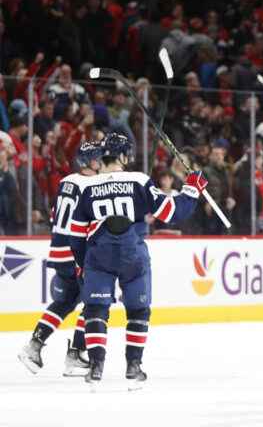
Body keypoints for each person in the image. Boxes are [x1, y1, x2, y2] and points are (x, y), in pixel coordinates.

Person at [68, 133, 208, 389]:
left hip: (99, 254)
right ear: (123, 156)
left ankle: (96, 366)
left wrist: (82, 263)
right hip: (132, 253)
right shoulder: (138, 180)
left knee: (96, 310)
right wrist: (192, 189)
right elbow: (171, 212)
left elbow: (76, 233)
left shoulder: (87, 186)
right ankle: (133, 366)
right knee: (138, 310)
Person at [17, 141, 102, 376]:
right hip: (77, 251)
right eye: (98, 158)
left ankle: (34, 345)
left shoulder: (67, 181)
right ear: (89, 161)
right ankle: (75, 352)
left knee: (65, 302)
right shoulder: (92, 184)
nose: (101, 162)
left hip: (58, 247)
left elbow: (55, 213)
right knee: (95, 301)